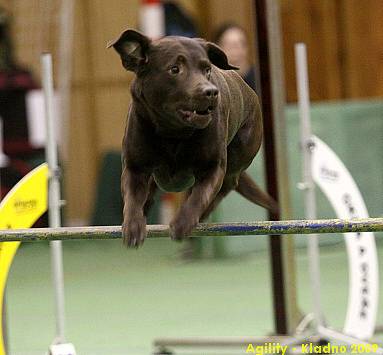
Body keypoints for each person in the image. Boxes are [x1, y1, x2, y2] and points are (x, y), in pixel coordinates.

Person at [212, 23, 260, 95]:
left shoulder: (260, 79)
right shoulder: (211, 85)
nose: (236, 52)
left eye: (241, 45)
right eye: (229, 46)